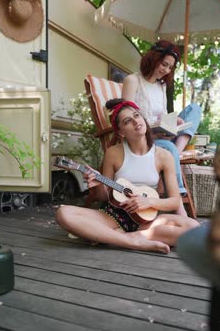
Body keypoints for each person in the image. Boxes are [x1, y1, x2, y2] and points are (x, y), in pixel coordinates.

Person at [56, 99, 199, 254]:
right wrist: (97, 184)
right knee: (63, 213)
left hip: (146, 221)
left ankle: (125, 236)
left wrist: (148, 201)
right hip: (113, 217)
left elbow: (174, 201)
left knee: (194, 228)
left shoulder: (164, 156)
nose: (135, 121)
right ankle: (131, 241)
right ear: (121, 132)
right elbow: (103, 198)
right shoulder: (113, 153)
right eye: (127, 121)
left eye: (136, 115)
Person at [122, 39, 202, 215]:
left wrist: (173, 122)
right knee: (168, 147)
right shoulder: (133, 80)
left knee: (194, 109)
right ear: (153, 58)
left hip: (162, 136)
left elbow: (163, 115)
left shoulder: (161, 86)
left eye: (170, 67)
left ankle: (177, 151)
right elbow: (126, 116)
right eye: (164, 64)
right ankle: (179, 205)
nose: (166, 70)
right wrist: (151, 129)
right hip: (144, 139)